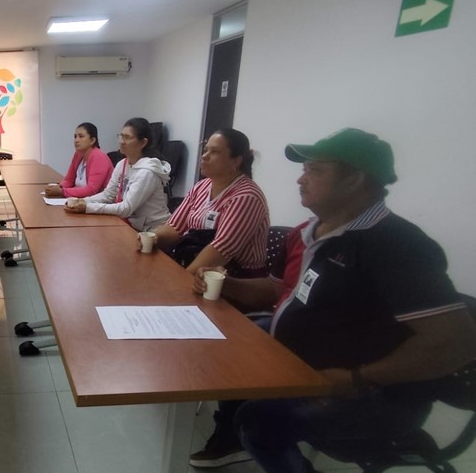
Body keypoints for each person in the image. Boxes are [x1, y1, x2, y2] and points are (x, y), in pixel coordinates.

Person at [192, 128, 476, 472]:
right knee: (235, 338)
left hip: (372, 393)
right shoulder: (306, 232)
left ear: (355, 179)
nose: (300, 179)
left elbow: (454, 342)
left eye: (315, 170)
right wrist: (225, 284)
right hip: (305, 365)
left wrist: (356, 378)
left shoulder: (397, 245)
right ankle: (229, 437)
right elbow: (274, 290)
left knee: (258, 420)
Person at [151, 128, 269, 277]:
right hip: (192, 263)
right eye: (205, 150)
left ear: (236, 161)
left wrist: (180, 280)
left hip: (232, 279)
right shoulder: (202, 186)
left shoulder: (247, 197)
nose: (204, 156)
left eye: (215, 152)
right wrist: (152, 238)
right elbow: (174, 227)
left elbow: (220, 251)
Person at [64, 117, 170, 231]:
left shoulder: (147, 172)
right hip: (131, 225)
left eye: (127, 137)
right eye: (121, 136)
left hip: (152, 231)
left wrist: (87, 207)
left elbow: (126, 208)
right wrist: (83, 201)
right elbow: (108, 195)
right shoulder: (122, 164)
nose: (122, 141)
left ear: (143, 142)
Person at [45, 122, 113, 198]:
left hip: (98, 204)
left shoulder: (99, 157)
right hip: (79, 201)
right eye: (75, 136)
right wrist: (58, 187)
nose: (76, 140)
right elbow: (69, 180)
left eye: (81, 136)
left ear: (92, 140)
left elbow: (92, 190)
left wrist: (62, 192)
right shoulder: (78, 154)